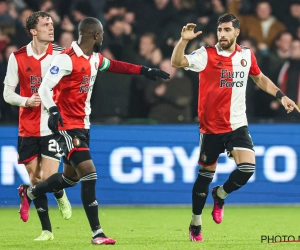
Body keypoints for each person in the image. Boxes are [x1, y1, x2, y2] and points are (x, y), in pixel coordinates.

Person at [18, 17, 170, 245]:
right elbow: (44, 88)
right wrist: (54, 111)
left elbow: (116, 65)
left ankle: (30, 192)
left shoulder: (94, 59)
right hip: (67, 126)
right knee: (90, 173)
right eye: (102, 34)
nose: (103, 38)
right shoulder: (66, 59)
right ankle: (97, 233)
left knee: (71, 180)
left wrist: (145, 70)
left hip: (84, 125)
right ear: (96, 35)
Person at [171, 14, 300, 242]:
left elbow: (259, 78)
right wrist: (183, 41)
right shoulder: (206, 55)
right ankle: (195, 222)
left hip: (237, 124)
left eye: (227, 30)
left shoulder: (246, 55)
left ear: (236, 32)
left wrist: (281, 96)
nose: (222, 34)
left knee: (247, 168)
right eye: (220, 30)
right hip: (210, 129)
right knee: (204, 176)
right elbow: (177, 63)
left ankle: (220, 195)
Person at [3, 11, 72, 241]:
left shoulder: (62, 55)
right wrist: (25, 100)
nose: (51, 28)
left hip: (53, 125)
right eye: (45, 25)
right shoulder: (18, 57)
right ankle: (47, 231)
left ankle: (60, 193)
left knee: (50, 178)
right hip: (28, 126)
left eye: (52, 24)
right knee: (35, 178)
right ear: (33, 31)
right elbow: (7, 94)